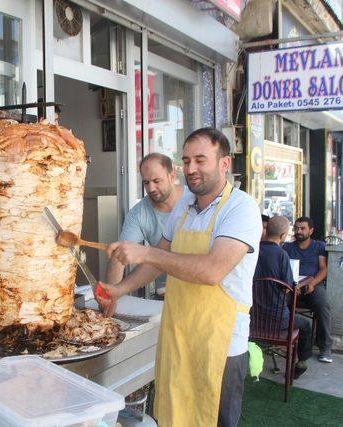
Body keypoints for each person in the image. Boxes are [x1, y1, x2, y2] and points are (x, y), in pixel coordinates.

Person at [98, 127, 261, 426]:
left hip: (221, 344)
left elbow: (212, 271)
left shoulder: (242, 209)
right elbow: (160, 260)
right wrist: (120, 289)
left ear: (224, 163)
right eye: (186, 161)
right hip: (178, 335)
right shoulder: (184, 207)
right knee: (174, 417)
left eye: (201, 160)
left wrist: (145, 253)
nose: (191, 169)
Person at [104, 153, 184, 293]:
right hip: (166, 291)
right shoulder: (138, 213)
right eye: (146, 183)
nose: (151, 188)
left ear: (172, 176)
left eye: (157, 181)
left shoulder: (196, 201)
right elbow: (120, 255)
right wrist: (110, 293)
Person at [253, 216, 313, 378]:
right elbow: (286, 289)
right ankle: (301, 362)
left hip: (252, 319)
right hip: (278, 323)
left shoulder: (251, 251)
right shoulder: (281, 255)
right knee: (307, 324)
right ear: (283, 235)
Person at [283, 216, 332, 363]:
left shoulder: (319, 246)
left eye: (302, 228)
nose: (299, 231)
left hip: (312, 285)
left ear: (311, 230)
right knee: (278, 300)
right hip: (292, 287)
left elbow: (323, 269)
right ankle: (279, 338)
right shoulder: (287, 247)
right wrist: (290, 285)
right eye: (296, 228)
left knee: (322, 304)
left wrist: (312, 283)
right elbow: (283, 270)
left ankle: (325, 347)